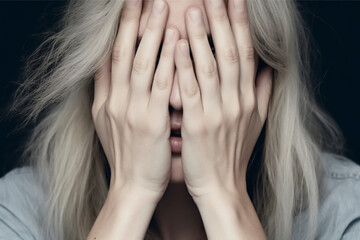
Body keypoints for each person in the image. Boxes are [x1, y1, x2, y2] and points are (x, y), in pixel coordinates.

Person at [1, 0, 360, 239]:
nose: (175, 98)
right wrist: (130, 193)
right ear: (99, 71)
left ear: (265, 78)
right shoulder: (20, 214)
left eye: (211, 56)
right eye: (149, 54)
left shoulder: (344, 212)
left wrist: (225, 197)